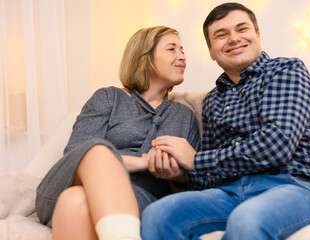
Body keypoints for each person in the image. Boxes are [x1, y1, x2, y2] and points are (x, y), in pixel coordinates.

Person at [141, 2, 310, 240]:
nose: (233, 39)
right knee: (158, 214)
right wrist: (181, 175)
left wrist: (194, 159)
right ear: (211, 50)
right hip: (229, 193)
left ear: (257, 35)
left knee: (247, 220)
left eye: (242, 29)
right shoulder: (212, 100)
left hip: (295, 188)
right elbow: (209, 175)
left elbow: (276, 145)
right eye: (221, 35)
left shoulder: (286, 71)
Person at [35, 26, 200, 240]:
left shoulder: (185, 116)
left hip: (140, 199)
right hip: (63, 187)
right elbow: (77, 154)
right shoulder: (108, 98)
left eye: (182, 50)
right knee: (97, 151)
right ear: (145, 57)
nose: (182, 57)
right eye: (172, 49)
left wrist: (177, 175)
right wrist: (144, 162)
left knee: (76, 201)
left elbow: (195, 184)